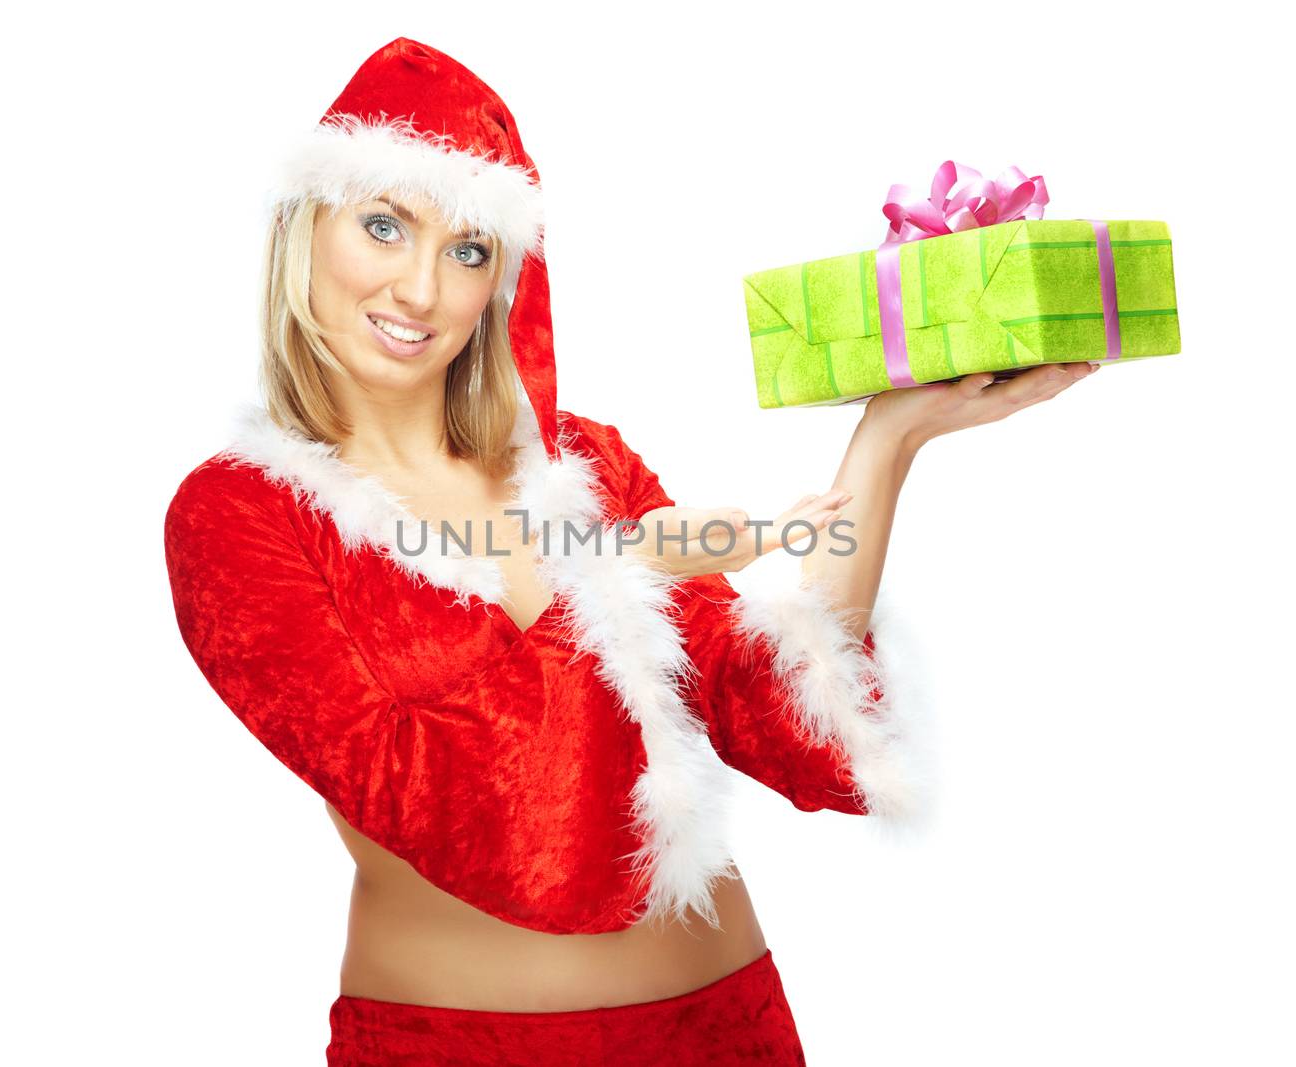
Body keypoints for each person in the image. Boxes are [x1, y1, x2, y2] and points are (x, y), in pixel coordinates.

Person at [162, 36, 1097, 1067]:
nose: (421, 290)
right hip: (451, 1044)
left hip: (722, 1026)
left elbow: (784, 718)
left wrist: (887, 438)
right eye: (383, 226)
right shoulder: (241, 515)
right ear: (306, 227)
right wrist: (628, 574)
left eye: (469, 249)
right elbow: (431, 793)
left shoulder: (584, 467)